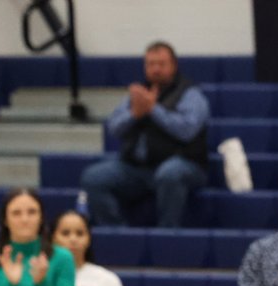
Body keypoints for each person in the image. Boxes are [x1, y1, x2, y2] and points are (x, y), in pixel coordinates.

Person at [80, 41, 210, 228]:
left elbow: (187, 131)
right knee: (93, 178)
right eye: (150, 64)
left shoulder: (191, 94)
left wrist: (153, 109)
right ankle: (118, 233)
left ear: (173, 65)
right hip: (136, 168)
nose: (155, 69)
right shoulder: (138, 95)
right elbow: (114, 128)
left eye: (161, 64)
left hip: (184, 164)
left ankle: (166, 235)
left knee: (169, 173)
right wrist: (134, 114)